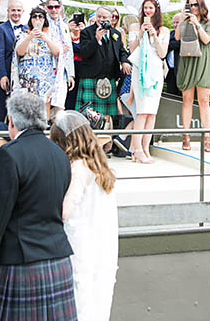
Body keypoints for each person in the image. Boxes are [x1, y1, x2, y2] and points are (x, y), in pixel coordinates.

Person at [0, 92, 76, 320]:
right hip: (59, 261)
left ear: (12, 121)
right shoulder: (60, 155)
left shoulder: (9, 155)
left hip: (19, 266)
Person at [49, 111, 118, 321]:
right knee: (99, 299)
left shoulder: (78, 168)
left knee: (81, 300)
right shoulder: (101, 167)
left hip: (79, 244)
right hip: (103, 245)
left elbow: (66, 211)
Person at [128, 0, 169, 163]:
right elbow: (131, 49)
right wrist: (140, 34)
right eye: (145, 8)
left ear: (156, 10)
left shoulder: (163, 30)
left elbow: (162, 53)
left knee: (152, 113)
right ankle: (136, 148)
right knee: (142, 110)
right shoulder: (134, 26)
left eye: (151, 8)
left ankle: (146, 148)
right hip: (140, 72)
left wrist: (154, 35)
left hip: (155, 72)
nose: (148, 11)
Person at [175, 0, 210, 152]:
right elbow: (177, 37)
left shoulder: (208, 22)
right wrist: (181, 20)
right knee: (187, 99)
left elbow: (206, 40)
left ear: (201, 6)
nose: (192, 8)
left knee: (204, 100)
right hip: (187, 60)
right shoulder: (184, 21)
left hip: (203, 61)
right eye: (189, 5)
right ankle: (186, 136)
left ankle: (207, 137)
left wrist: (196, 23)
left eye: (195, 5)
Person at [76, 6, 131, 117]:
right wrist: (96, 39)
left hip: (109, 78)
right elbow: (84, 53)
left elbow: (121, 51)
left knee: (107, 115)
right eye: (99, 16)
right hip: (91, 78)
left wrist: (124, 61)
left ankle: (106, 134)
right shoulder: (86, 32)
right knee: (88, 114)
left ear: (111, 19)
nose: (101, 19)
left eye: (104, 17)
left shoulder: (116, 33)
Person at [13, 6, 61, 110]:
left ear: (45, 19)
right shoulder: (23, 34)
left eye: (41, 17)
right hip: (27, 75)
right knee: (27, 104)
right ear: (30, 19)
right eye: (35, 17)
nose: (38, 19)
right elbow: (19, 52)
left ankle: (44, 124)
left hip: (45, 75)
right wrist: (30, 37)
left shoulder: (51, 34)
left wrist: (45, 38)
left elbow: (57, 52)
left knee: (45, 102)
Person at [0, 0, 26, 121]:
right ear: (8, 11)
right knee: (2, 106)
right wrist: (2, 75)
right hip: (6, 72)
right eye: (13, 10)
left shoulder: (27, 28)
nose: (16, 13)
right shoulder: (1, 29)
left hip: (22, 75)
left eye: (18, 10)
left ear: (23, 12)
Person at [45, 0, 76, 117]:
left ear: (60, 8)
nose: (53, 10)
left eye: (56, 7)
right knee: (47, 101)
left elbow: (69, 51)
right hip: (48, 68)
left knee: (59, 105)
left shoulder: (64, 26)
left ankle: (56, 133)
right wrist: (59, 49)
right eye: (50, 7)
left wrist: (71, 74)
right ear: (46, 8)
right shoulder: (44, 24)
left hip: (62, 70)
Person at [66, 16, 85, 110]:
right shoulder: (66, 36)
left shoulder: (86, 37)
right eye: (73, 22)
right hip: (70, 67)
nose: (76, 24)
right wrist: (67, 29)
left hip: (82, 69)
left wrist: (84, 31)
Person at [164, 13, 182, 96]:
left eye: (177, 22)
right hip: (170, 70)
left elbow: (176, 44)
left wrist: (169, 44)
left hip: (181, 71)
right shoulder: (170, 34)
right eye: (174, 22)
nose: (175, 25)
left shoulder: (185, 34)